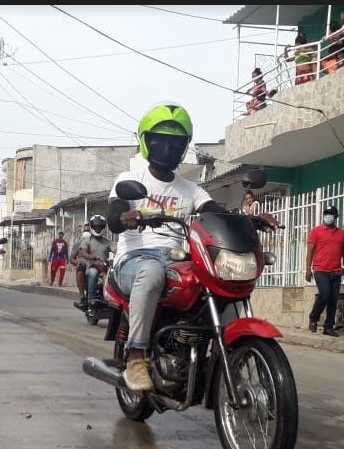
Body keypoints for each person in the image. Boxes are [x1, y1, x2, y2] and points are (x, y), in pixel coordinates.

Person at [108, 102, 281, 391]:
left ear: (184, 146)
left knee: (218, 282)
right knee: (152, 272)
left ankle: (221, 356)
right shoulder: (130, 180)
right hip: (134, 260)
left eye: (175, 142)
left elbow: (216, 212)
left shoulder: (191, 189)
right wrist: (124, 217)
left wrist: (250, 218)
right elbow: (114, 216)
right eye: (159, 140)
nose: (167, 148)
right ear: (146, 141)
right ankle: (136, 356)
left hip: (177, 259)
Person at [305, 205, 344, 336]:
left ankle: (328, 327)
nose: (328, 216)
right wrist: (308, 269)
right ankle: (313, 318)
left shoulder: (342, 233)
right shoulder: (316, 231)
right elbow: (310, 251)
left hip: (336, 271)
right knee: (324, 294)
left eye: (331, 214)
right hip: (320, 269)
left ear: (336, 216)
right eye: (326, 214)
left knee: (333, 299)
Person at [74, 215, 113, 316]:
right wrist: (90, 256)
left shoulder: (107, 241)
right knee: (93, 272)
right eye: (96, 226)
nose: (98, 228)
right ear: (92, 227)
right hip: (91, 266)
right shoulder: (87, 240)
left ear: (103, 227)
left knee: (112, 276)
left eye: (100, 226)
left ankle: (110, 300)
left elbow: (115, 249)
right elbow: (83, 251)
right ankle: (91, 301)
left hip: (104, 267)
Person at [73, 222, 91, 302]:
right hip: (83, 264)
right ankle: (82, 295)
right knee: (80, 271)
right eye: (85, 228)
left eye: (88, 228)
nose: (87, 229)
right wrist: (77, 262)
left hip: (95, 263)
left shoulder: (99, 241)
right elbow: (72, 258)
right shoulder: (78, 243)